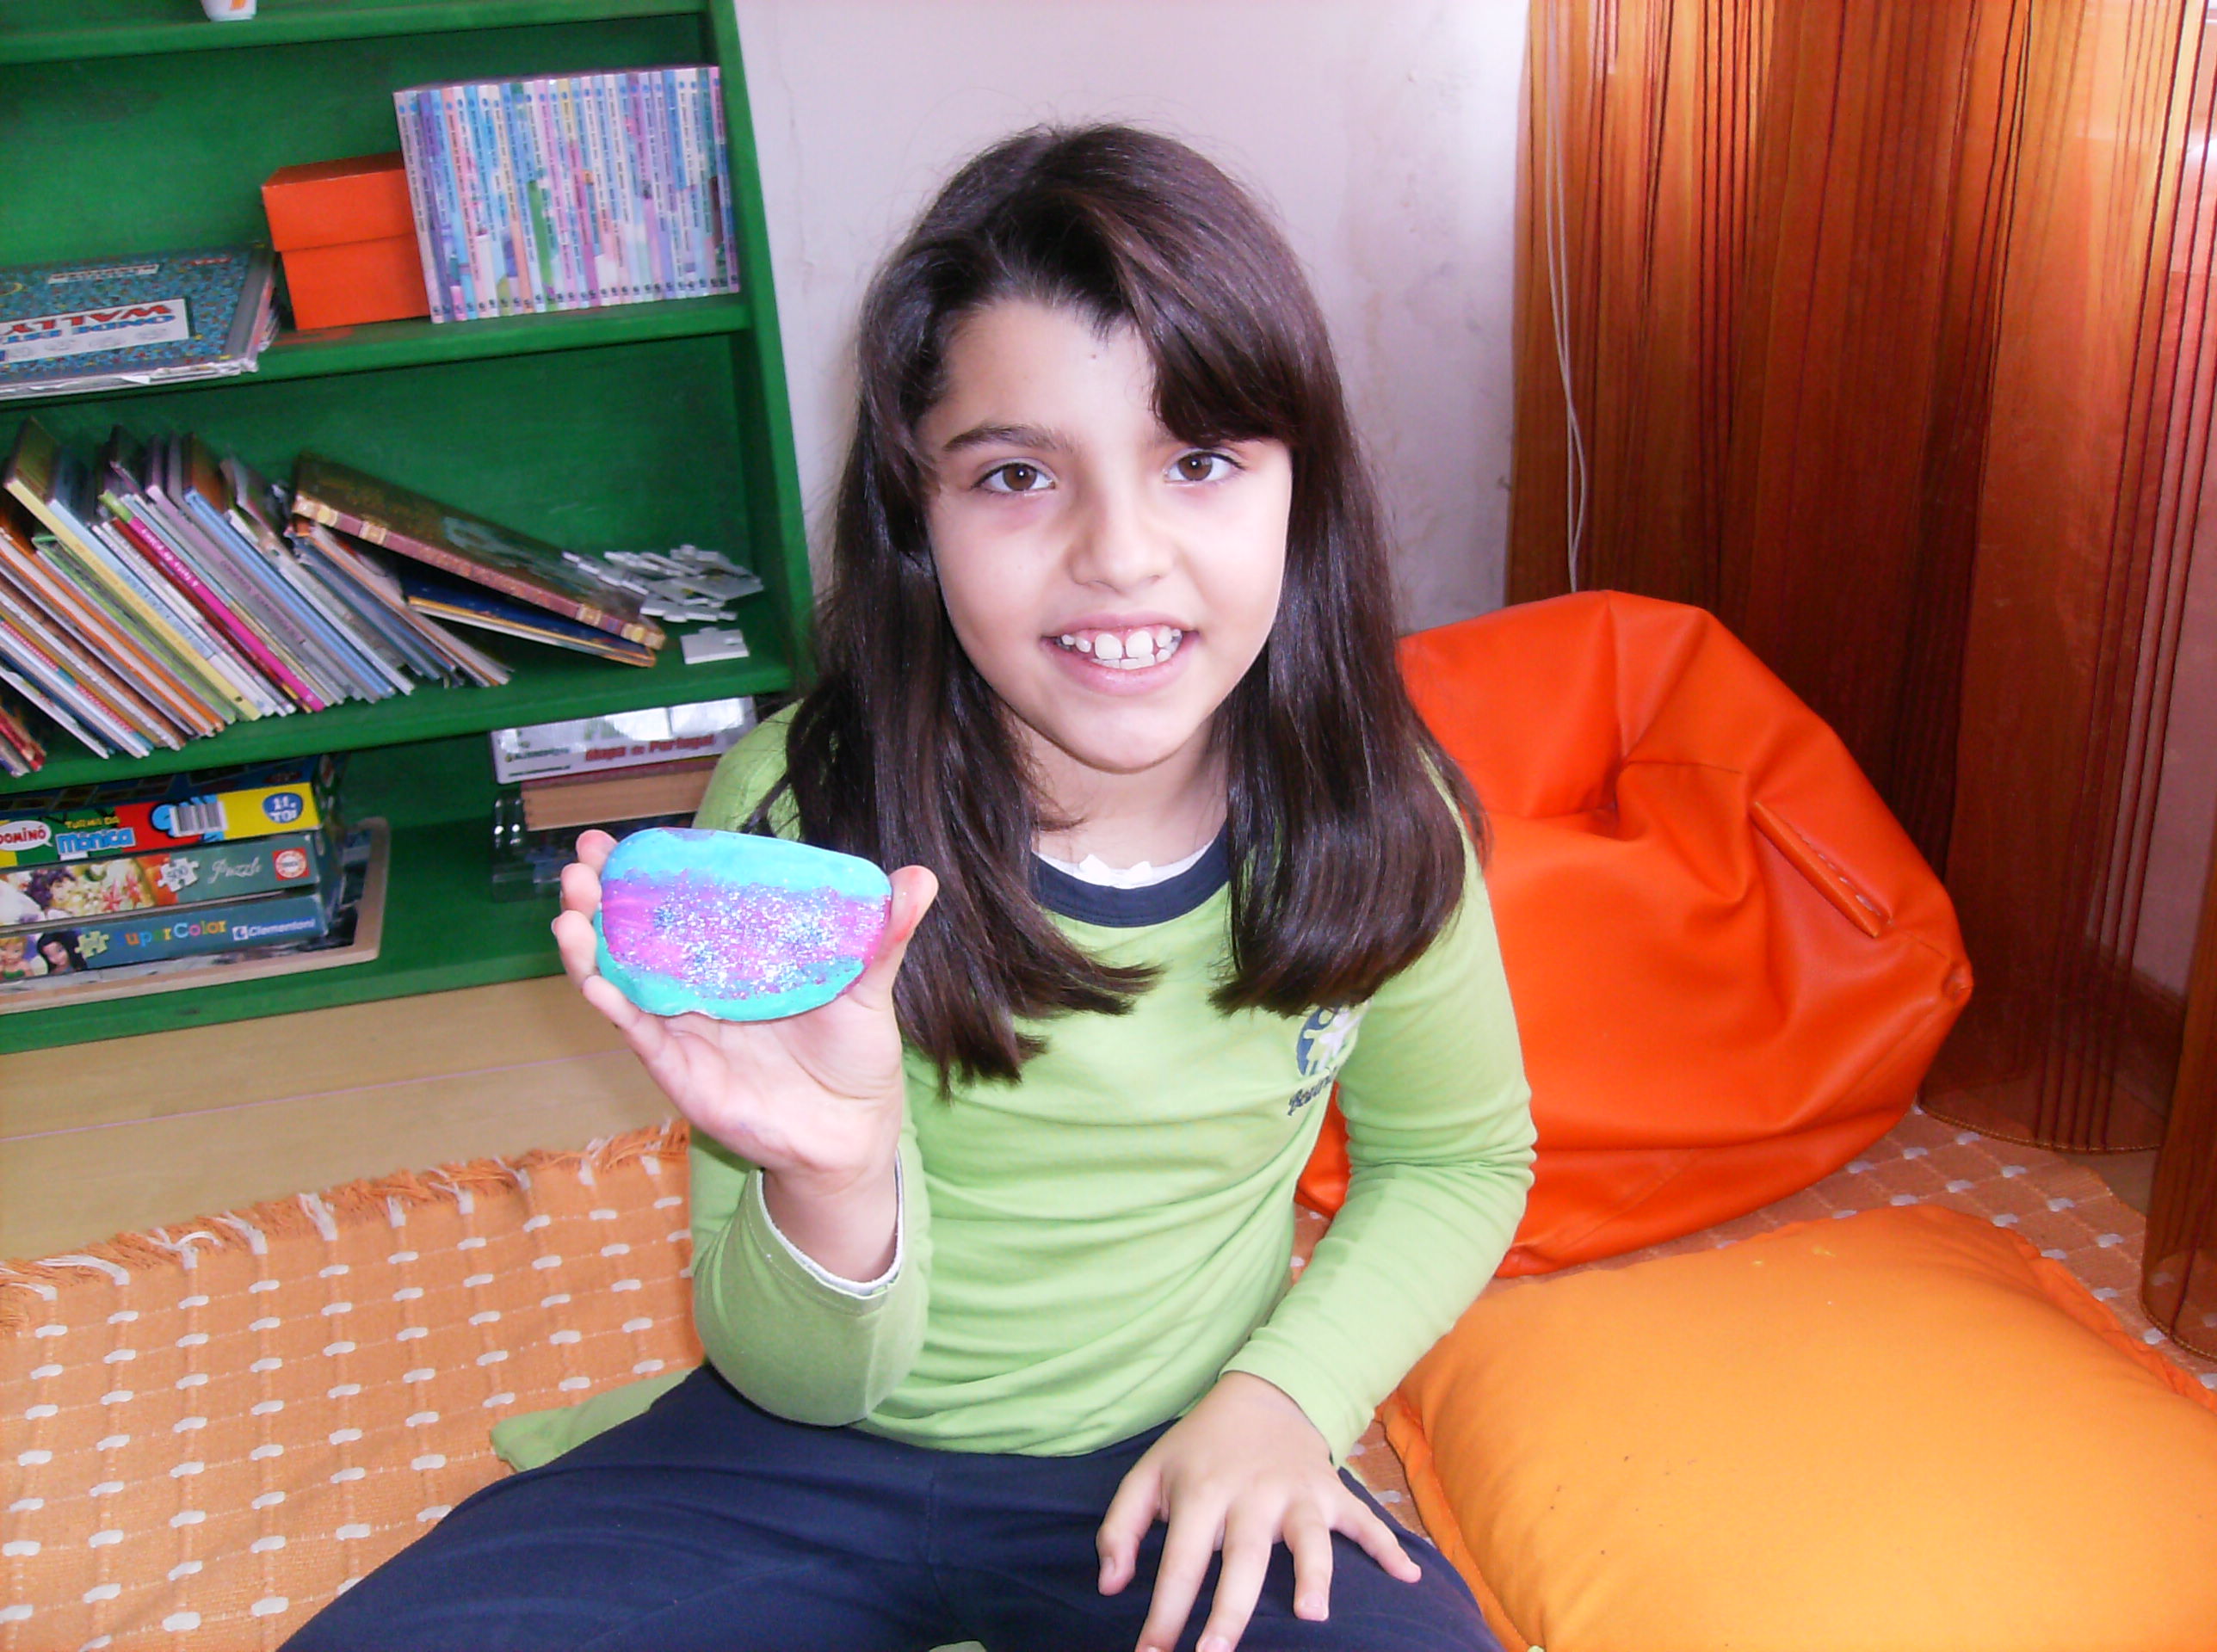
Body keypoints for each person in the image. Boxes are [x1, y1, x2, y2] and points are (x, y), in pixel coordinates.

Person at [285, 123, 1535, 1652]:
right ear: (916, 520)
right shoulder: (800, 816)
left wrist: (1289, 1398)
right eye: (1017, 475)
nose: (1121, 555)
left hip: (1175, 1453)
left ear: (1301, 489)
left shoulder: (1379, 819)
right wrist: (831, 1178)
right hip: (795, 1450)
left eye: (1199, 460)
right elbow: (799, 1375)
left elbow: (1457, 1159)